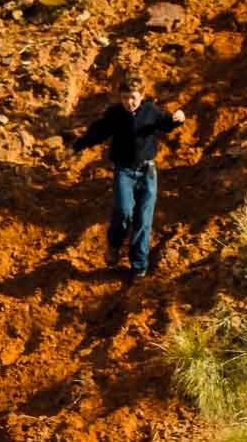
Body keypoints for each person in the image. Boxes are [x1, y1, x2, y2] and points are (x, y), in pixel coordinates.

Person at [71, 72, 186, 285]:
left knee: (143, 220)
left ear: (142, 96)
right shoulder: (115, 114)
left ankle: (139, 267)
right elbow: (98, 132)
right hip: (124, 171)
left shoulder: (151, 111)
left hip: (148, 172)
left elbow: (166, 123)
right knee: (124, 211)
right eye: (125, 97)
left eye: (133, 97)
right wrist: (76, 146)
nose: (129, 102)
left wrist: (177, 118)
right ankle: (114, 244)